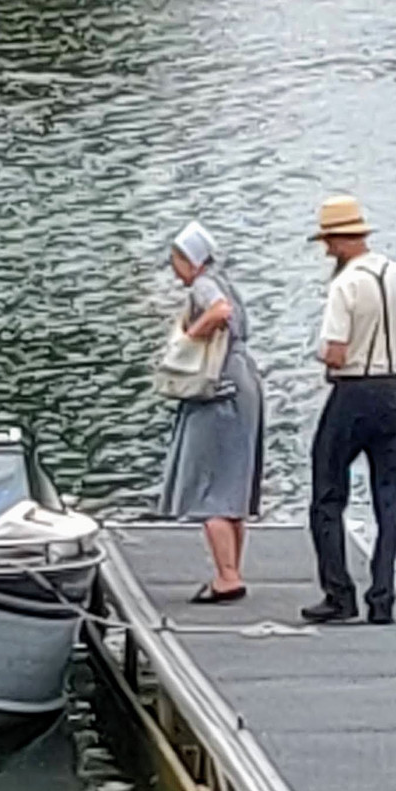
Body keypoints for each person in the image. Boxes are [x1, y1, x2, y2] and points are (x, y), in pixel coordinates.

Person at [301, 195, 396, 625]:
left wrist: (320, 352)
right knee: (389, 499)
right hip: (393, 393)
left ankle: (339, 595)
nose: (326, 251)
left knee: (327, 493)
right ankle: (382, 598)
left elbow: (336, 354)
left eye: (327, 243)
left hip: (353, 393)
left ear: (338, 241)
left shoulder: (345, 285)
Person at [159, 221, 265, 603]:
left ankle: (226, 576)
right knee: (234, 480)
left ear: (191, 260)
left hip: (219, 386)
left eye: (176, 259)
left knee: (211, 481)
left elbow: (219, 312)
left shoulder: (205, 285)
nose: (173, 268)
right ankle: (232, 568)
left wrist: (188, 340)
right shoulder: (228, 280)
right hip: (244, 380)